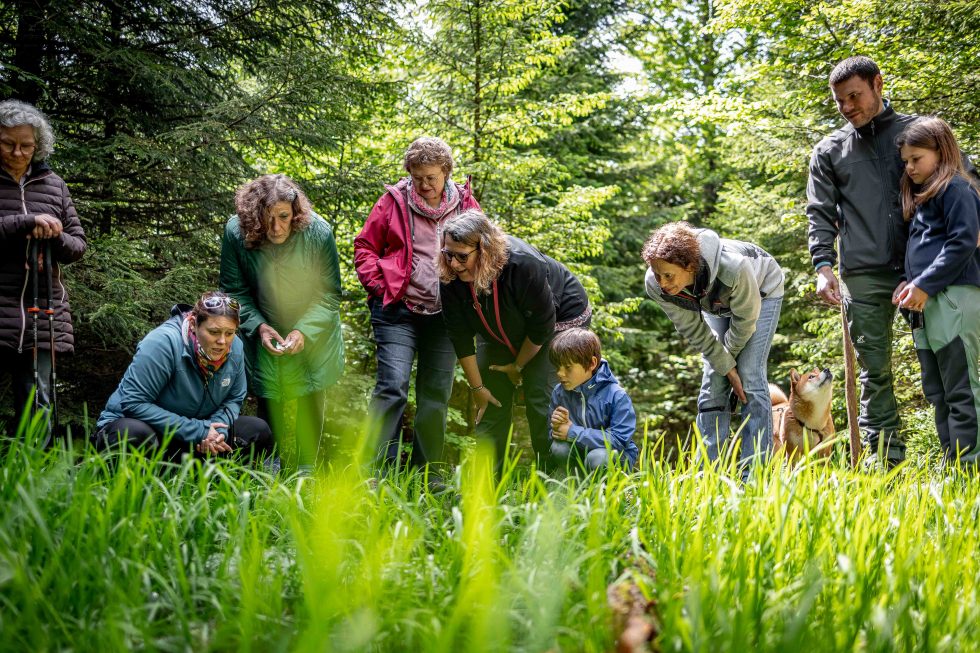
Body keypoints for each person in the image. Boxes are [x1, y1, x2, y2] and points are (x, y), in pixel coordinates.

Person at [807, 56, 923, 467]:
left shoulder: (918, 133)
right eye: (840, 101)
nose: (848, 107)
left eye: (854, 96)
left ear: (878, 83)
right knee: (875, 375)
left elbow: (964, 184)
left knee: (945, 367)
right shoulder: (829, 151)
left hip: (924, 271)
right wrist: (823, 267)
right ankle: (886, 468)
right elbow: (819, 212)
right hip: (863, 276)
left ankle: (961, 461)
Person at [354, 137, 480, 473]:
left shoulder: (465, 205)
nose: (424, 185)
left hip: (446, 316)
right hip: (397, 310)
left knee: (436, 396)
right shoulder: (393, 201)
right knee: (392, 386)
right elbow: (365, 247)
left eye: (431, 178)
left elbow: (485, 250)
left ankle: (429, 475)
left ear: (446, 173)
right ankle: (376, 471)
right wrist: (380, 287)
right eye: (417, 177)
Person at [439, 209, 591, 468]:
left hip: (557, 322)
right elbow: (460, 336)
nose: (453, 263)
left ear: (484, 250)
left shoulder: (523, 264)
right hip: (500, 330)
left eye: (462, 256)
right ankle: (487, 486)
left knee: (540, 395)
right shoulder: (451, 275)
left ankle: (554, 481)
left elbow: (542, 327)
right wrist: (478, 390)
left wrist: (518, 366)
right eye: (448, 254)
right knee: (491, 398)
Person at [220, 174, 344, 475]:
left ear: (295, 212)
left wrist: (304, 330)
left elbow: (328, 295)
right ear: (253, 214)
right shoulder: (236, 232)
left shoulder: (318, 233)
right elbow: (233, 290)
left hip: (314, 329)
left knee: (311, 393)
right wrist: (259, 326)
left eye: (284, 217)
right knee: (269, 393)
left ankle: (306, 472)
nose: (276, 227)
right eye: (267, 217)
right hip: (263, 324)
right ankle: (268, 468)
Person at [642, 222, 784, 470]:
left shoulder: (734, 268)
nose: (662, 283)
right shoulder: (657, 287)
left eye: (668, 275)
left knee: (749, 375)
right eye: (657, 274)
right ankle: (709, 471)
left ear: (689, 266)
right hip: (716, 303)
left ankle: (755, 473)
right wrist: (725, 367)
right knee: (714, 376)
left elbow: (745, 322)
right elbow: (694, 330)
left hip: (761, 291)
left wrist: (730, 363)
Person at [893, 117, 980, 468]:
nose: (910, 167)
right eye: (906, 161)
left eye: (916, 158)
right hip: (924, 304)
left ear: (941, 152)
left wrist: (925, 285)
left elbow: (962, 243)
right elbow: (926, 248)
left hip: (953, 298)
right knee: (938, 393)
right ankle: (955, 468)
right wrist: (907, 281)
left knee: (962, 388)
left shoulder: (958, 188)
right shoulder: (925, 196)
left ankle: (971, 468)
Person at [94, 292, 273, 461]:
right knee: (131, 432)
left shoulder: (236, 348)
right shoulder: (162, 343)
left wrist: (217, 432)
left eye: (229, 333)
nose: (222, 341)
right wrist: (199, 430)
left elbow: (234, 398)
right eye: (214, 332)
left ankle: (213, 487)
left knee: (257, 430)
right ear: (194, 324)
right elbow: (133, 403)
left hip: (196, 438)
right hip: (149, 431)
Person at [0, 99, 87, 426]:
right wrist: (24, 222)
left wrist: (54, 234)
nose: (18, 153)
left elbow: (78, 245)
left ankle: (37, 468)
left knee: (39, 397)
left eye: (26, 145)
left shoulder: (54, 184)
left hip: (42, 307)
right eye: (8, 144)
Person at [547, 328, 639, 472]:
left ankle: (609, 489)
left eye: (568, 367)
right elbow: (552, 434)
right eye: (558, 367)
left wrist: (572, 432)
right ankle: (575, 486)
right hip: (581, 452)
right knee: (558, 448)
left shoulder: (616, 395)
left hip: (614, 455)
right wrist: (556, 428)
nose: (560, 373)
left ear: (591, 364)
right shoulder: (559, 393)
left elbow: (619, 440)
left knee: (597, 457)